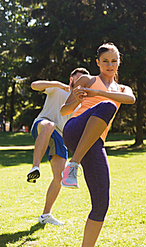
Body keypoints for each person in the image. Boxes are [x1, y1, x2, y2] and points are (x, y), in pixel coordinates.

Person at [60, 43, 135, 247]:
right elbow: (64, 111)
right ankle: (72, 165)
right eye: (105, 61)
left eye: (113, 61)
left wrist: (100, 95)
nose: (109, 65)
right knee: (108, 105)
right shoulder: (88, 79)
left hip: (94, 143)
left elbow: (131, 98)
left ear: (119, 62)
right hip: (75, 130)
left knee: (101, 203)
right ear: (98, 62)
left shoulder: (122, 89)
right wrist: (76, 99)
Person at [26, 68, 90, 226]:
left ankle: (45, 215)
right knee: (49, 125)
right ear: (71, 80)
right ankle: (35, 167)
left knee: (59, 177)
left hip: (60, 136)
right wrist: (57, 84)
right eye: (78, 79)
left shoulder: (80, 102)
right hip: (43, 124)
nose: (81, 83)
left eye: (84, 81)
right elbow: (34, 85)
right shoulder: (58, 89)